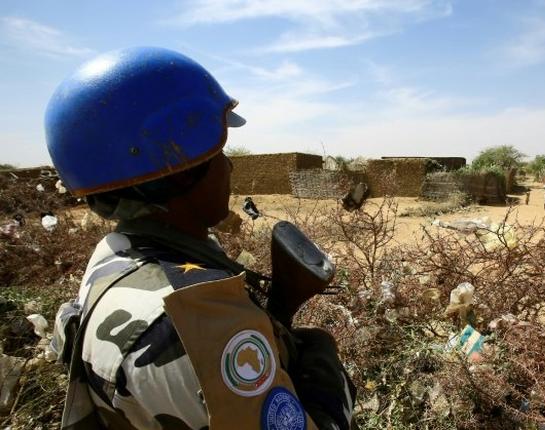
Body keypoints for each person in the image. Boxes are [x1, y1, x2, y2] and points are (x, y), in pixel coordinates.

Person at [48, 47, 354, 430]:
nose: (227, 166)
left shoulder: (114, 255)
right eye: (217, 153)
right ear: (178, 170)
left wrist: (280, 308)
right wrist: (322, 359)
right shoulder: (196, 321)